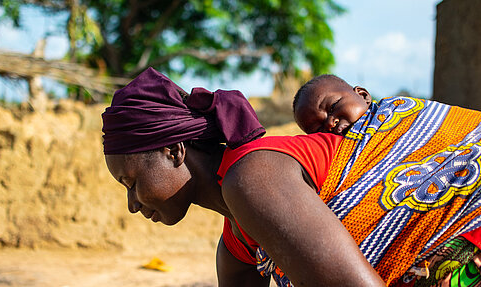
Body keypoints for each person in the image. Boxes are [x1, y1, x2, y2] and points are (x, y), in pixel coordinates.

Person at [102, 68, 481, 287]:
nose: (132, 204)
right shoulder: (237, 242)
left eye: (131, 183)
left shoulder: (251, 176)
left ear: (174, 151)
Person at [293, 74, 481, 286]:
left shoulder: (407, 113)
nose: (330, 122)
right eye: (317, 129)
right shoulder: (339, 170)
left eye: (334, 106)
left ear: (363, 95)